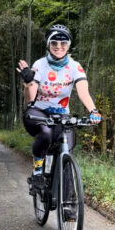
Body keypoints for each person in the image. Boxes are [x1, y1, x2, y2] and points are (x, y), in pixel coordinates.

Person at [16, 24, 101, 189]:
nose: (59, 47)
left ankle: (69, 209)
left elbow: (83, 91)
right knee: (46, 133)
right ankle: (38, 172)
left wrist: (93, 111)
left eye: (63, 43)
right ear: (48, 44)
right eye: (54, 43)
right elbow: (30, 98)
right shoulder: (40, 65)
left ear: (68, 45)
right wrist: (28, 83)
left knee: (66, 151)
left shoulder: (75, 67)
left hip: (62, 115)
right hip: (37, 112)